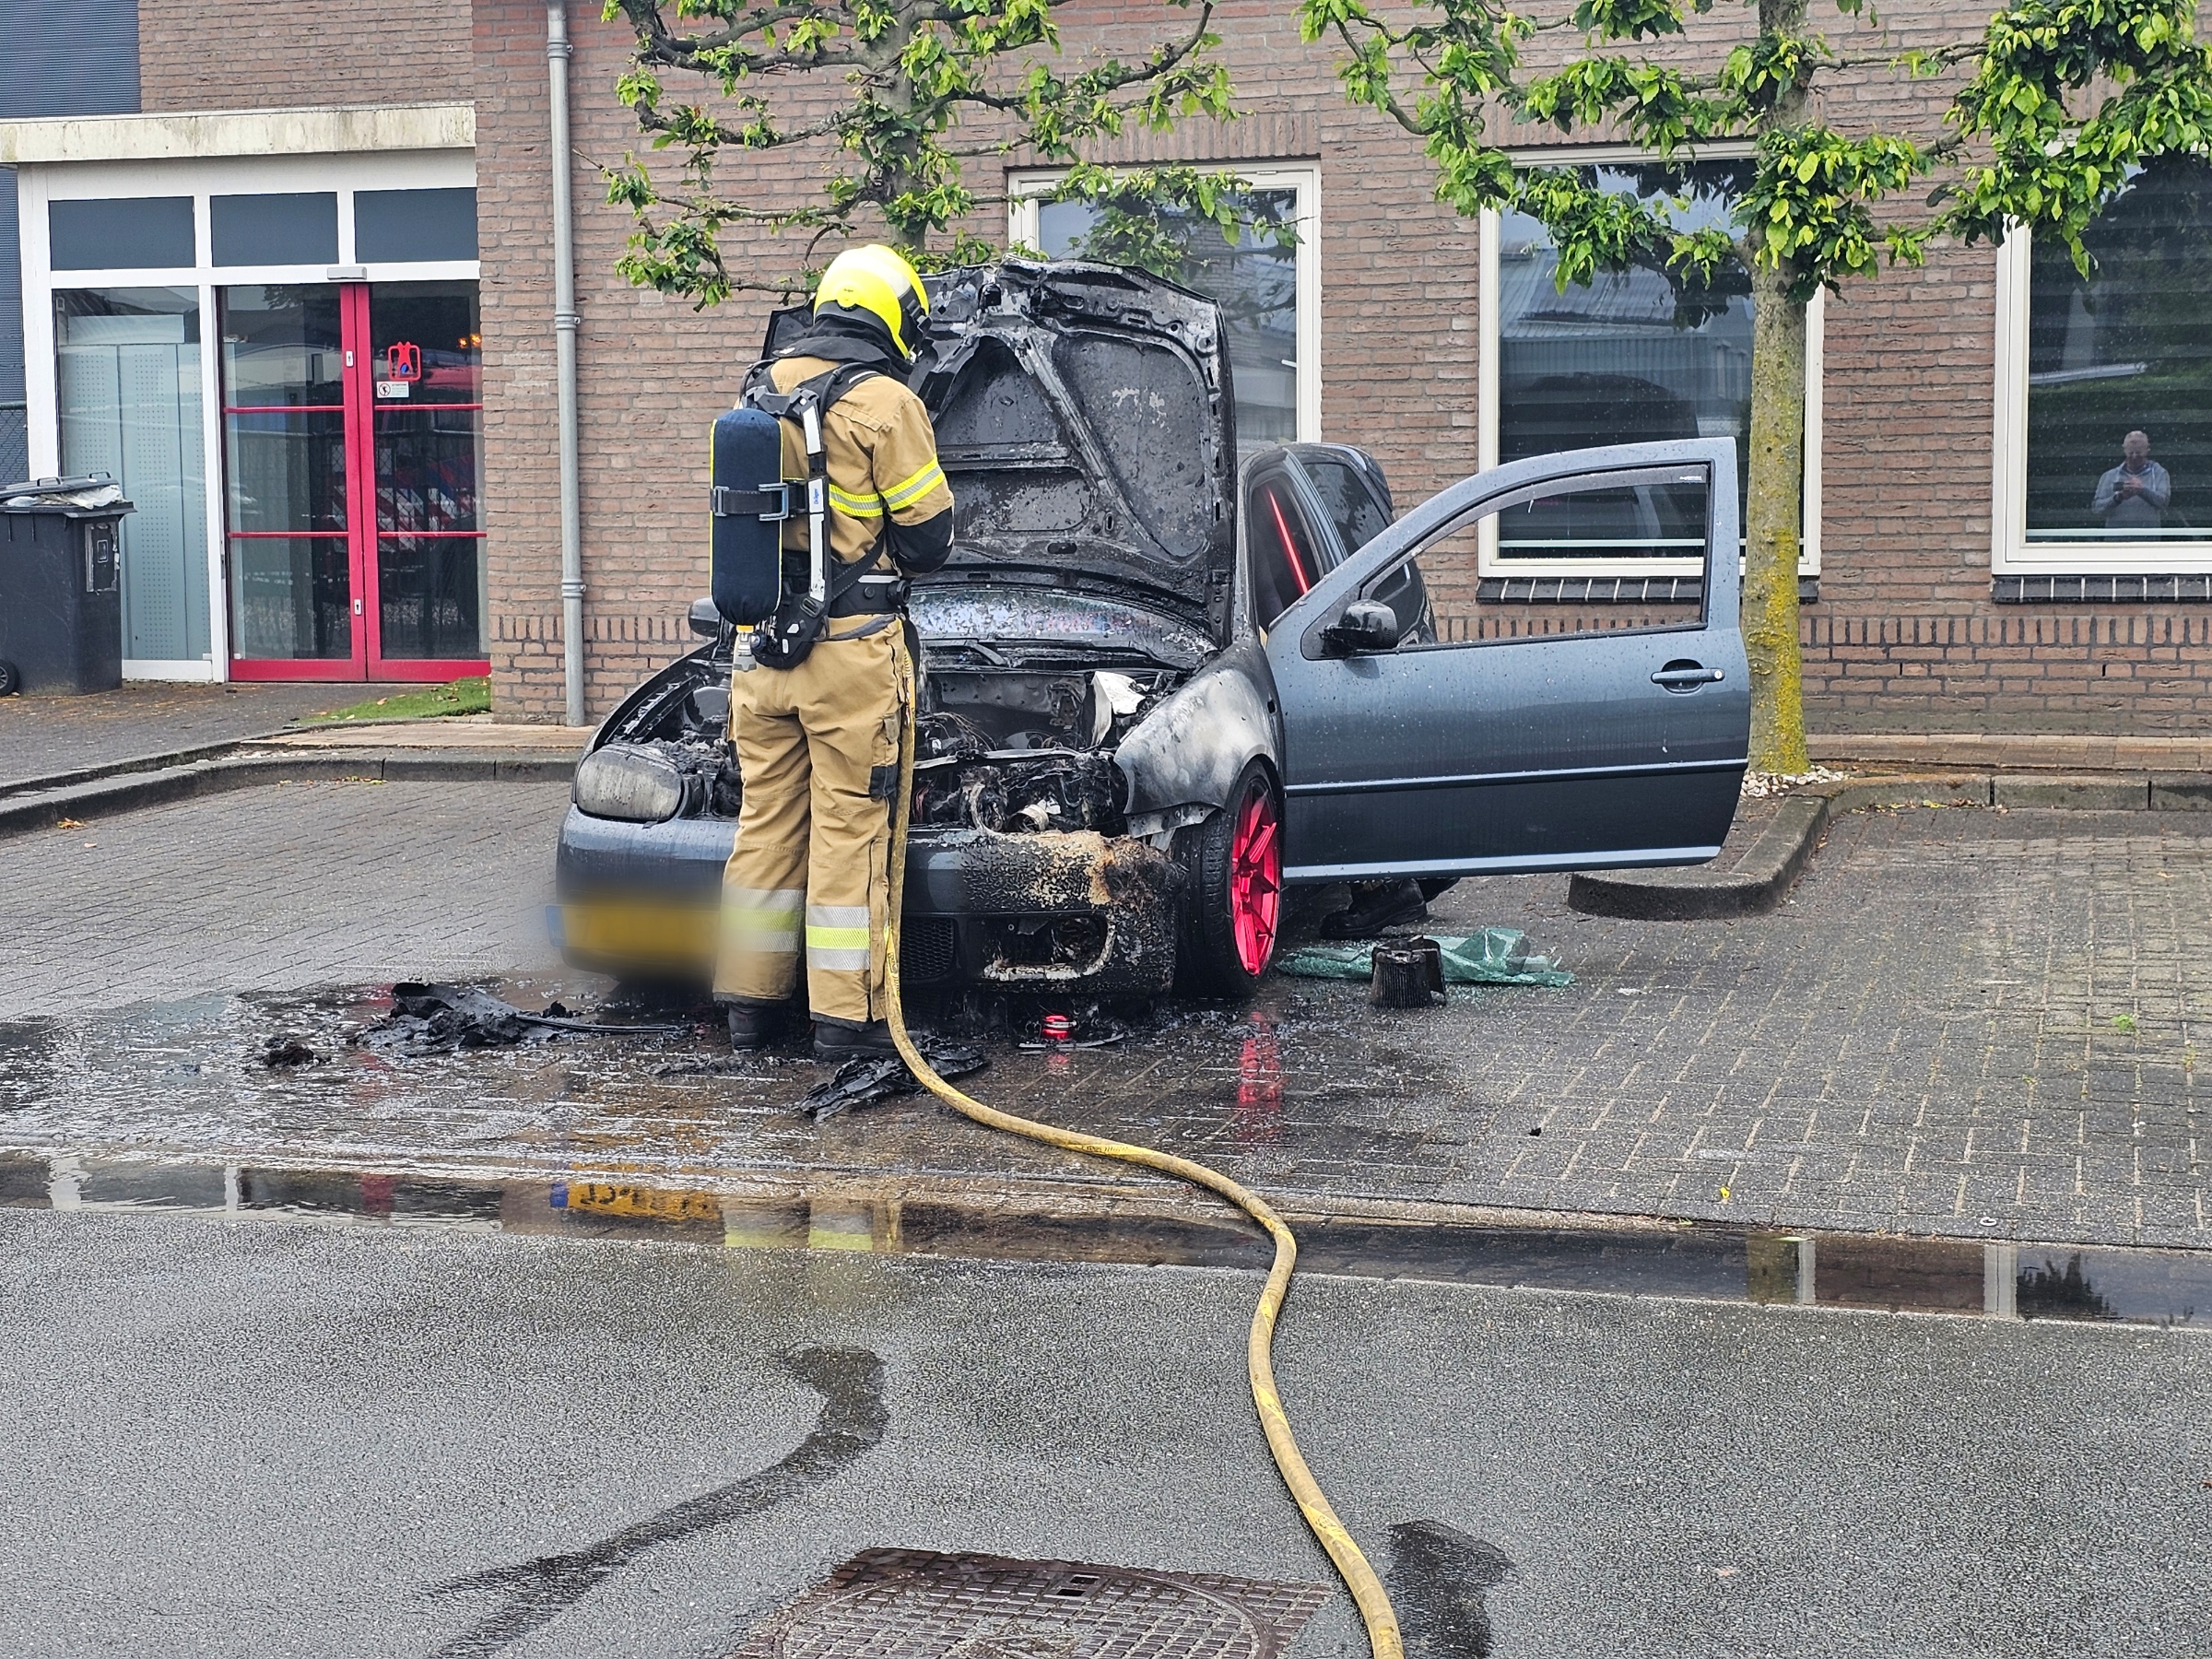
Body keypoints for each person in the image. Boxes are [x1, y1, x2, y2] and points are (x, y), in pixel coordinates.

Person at [715, 244, 955, 1060]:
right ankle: (843, 1027)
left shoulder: (758, 389)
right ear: (892, 316)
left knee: (766, 828)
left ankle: (749, 1011)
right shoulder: (887, 404)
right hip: (850, 656)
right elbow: (928, 542)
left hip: (758, 657)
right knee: (849, 833)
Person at [2090, 430, 2171, 532]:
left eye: (2138, 453)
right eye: (2130, 453)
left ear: (2147, 450)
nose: (2134, 456)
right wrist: (2118, 497)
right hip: (2116, 541)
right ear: (2124, 451)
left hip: (2148, 541)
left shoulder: (2159, 473)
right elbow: (2097, 509)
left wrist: (2142, 491)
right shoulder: (2110, 476)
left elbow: (2163, 503)